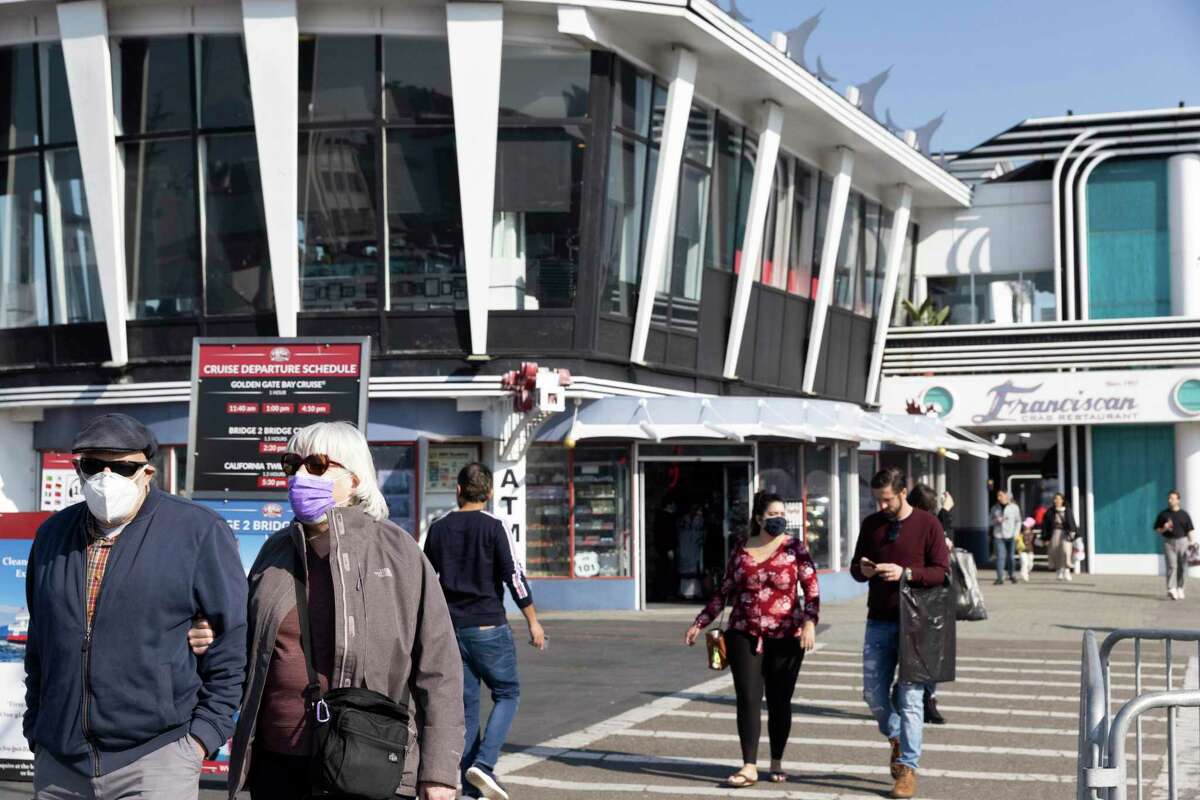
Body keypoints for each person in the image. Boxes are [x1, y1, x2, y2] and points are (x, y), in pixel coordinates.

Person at [220, 421, 463, 800]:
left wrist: (440, 773)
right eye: (291, 464)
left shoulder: (399, 554)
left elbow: (440, 668)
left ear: (354, 478)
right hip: (278, 764)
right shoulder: (274, 551)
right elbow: (244, 648)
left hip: (367, 762)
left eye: (316, 465)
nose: (300, 475)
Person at [24, 413, 247, 800]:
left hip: (156, 759)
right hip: (60, 764)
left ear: (147, 471)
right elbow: (39, 642)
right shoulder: (52, 535)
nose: (105, 478)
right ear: (78, 469)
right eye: (94, 465)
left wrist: (203, 736)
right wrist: (36, 728)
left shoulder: (197, 531)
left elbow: (231, 640)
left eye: (122, 467)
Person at [424, 463, 546, 800]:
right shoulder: (496, 527)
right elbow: (514, 577)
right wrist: (533, 620)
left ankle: (467, 786)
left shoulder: (437, 529)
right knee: (507, 693)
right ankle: (485, 764)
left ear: (459, 491)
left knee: (466, 709)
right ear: (489, 493)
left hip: (451, 631)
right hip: (488, 626)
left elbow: (424, 582)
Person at [685, 492, 819, 788]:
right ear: (759, 518)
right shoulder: (741, 549)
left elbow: (811, 590)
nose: (779, 519)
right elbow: (724, 592)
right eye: (773, 514)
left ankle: (777, 760)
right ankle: (749, 765)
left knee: (779, 700)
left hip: (787, 636)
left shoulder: (795, 549)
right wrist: (700, 622)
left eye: (782, 513)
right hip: (743, 633)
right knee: (747, 698)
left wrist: (810, 623)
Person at [851, 468, 950, 800]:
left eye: (887, 499)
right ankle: (896, 736)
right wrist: (862, 570)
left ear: (903, 492)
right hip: (878, 619)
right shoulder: (871, 525)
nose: (881, 506)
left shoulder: (927, 524)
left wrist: (907, 573)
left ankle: (907, 768)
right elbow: (855, 568)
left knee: (910, 699)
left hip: (915, 623)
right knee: (872, 694)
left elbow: (941, 571)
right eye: (877, 500)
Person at [904, 484, 949, 726]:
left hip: (933, 599)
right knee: (924, 654)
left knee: (931, 654)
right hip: (917, 600)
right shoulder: (912, 528)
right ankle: (924, 698)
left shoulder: (932, 523)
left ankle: (927, 698)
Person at [1154, 490, 1197, 600]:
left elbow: (1190, 530)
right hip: (1169, 542)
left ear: (1178, 500)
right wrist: (1164, 528)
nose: (1170, 500)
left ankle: (1180, 588)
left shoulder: (1184, 514)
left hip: (1183, 542)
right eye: (1169, 498)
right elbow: (1157, 530)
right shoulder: (1163, 514)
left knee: (1182, 567)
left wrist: (1193, 543)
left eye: (1172, 498)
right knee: (1172, 566)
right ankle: (1171, 589)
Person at [989, 490, 1021, 585]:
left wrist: (1016, 533)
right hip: (999, 535)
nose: (999, 497)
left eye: (1001, 495)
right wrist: (996, 520)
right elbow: (989, 521)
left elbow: (1018, 521)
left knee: (1011, 557)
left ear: (1007, 496)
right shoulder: (995, 508)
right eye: (998, 495)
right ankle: (1000, 578)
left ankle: (1011, 575)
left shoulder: (1014, 507)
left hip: (1011, 535)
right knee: (1000, 557)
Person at [1046, 493, 1079, 582]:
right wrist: (1045, 537)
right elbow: (1046, 524)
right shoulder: (1050, 511)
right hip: (1055, 532)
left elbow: (1072, 522)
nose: (1056, 501)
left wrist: (1074, 532)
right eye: (1055, 499)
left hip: (1066, 533)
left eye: (1058, 499)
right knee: (1055, 550)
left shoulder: (1067, 510)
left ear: (1062, 500)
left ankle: (1067, 570)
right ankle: (1059, 570)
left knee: (1066, 551)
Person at [1017, 517, 1036, 582]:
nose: (1025, 526)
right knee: (1024, 562)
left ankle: (1027, 572)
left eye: (1027, 525)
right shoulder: (1020, 533)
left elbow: (1035, 542)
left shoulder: (1033, 534)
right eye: (1024, 525)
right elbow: (1018, 541)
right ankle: (1024, 574)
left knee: (1030, 564)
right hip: (1022, 551)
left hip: (1030, 551)